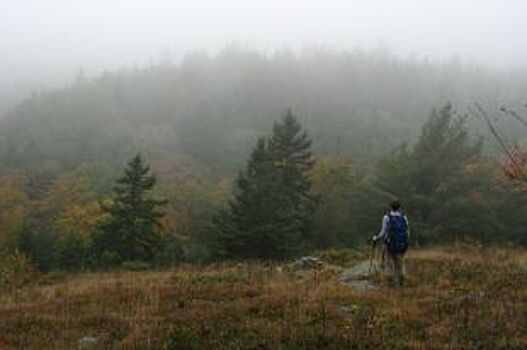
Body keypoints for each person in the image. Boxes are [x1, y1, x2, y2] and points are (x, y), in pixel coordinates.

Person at [372, 200, 409, 286]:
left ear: (390, 207)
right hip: (402, 245)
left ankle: (392, 284)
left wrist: (376, 238)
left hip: (390, 244)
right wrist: (405, 242)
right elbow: (407, 231)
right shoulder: (404, 217)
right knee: (400, 264)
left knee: (389, 263)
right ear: (399, 207)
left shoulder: (387, 217)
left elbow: (383, 232)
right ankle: (402, 282)